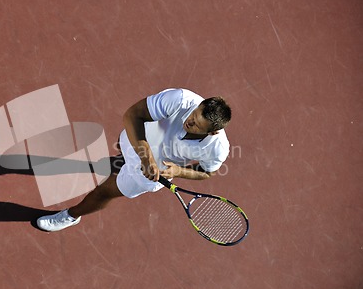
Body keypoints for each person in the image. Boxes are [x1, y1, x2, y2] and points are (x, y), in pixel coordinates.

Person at [36, 88, 232, 232]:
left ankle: (71, 215)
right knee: (120, 150)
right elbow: (133, 116)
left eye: (197, 126)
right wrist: (146, 157)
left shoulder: (218, 149)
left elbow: (208, 172)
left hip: (149, 175)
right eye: (194, 114)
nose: (189, 121)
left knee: (104, 192)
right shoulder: (179, 99)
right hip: (136, 140)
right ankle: (122, 160)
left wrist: (178, 172)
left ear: (213, 132)